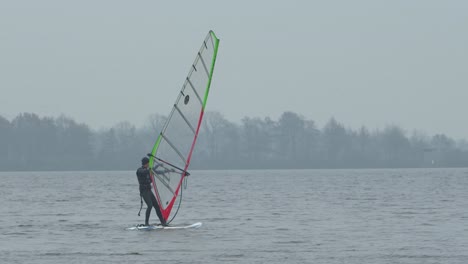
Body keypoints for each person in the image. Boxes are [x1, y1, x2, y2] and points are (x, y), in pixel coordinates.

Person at [136, 157, 167, 226]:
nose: (149, 164)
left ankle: (163, 222)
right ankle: (146, 223)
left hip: (149, 191)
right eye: (148, 163)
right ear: (146, 163)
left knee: (156, 206)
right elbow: (145, 171)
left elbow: (157, 172)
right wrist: (155, 166)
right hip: (144, 191)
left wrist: (169, 171)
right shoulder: (139, 170)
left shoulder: (148, 170)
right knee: (150, 206)